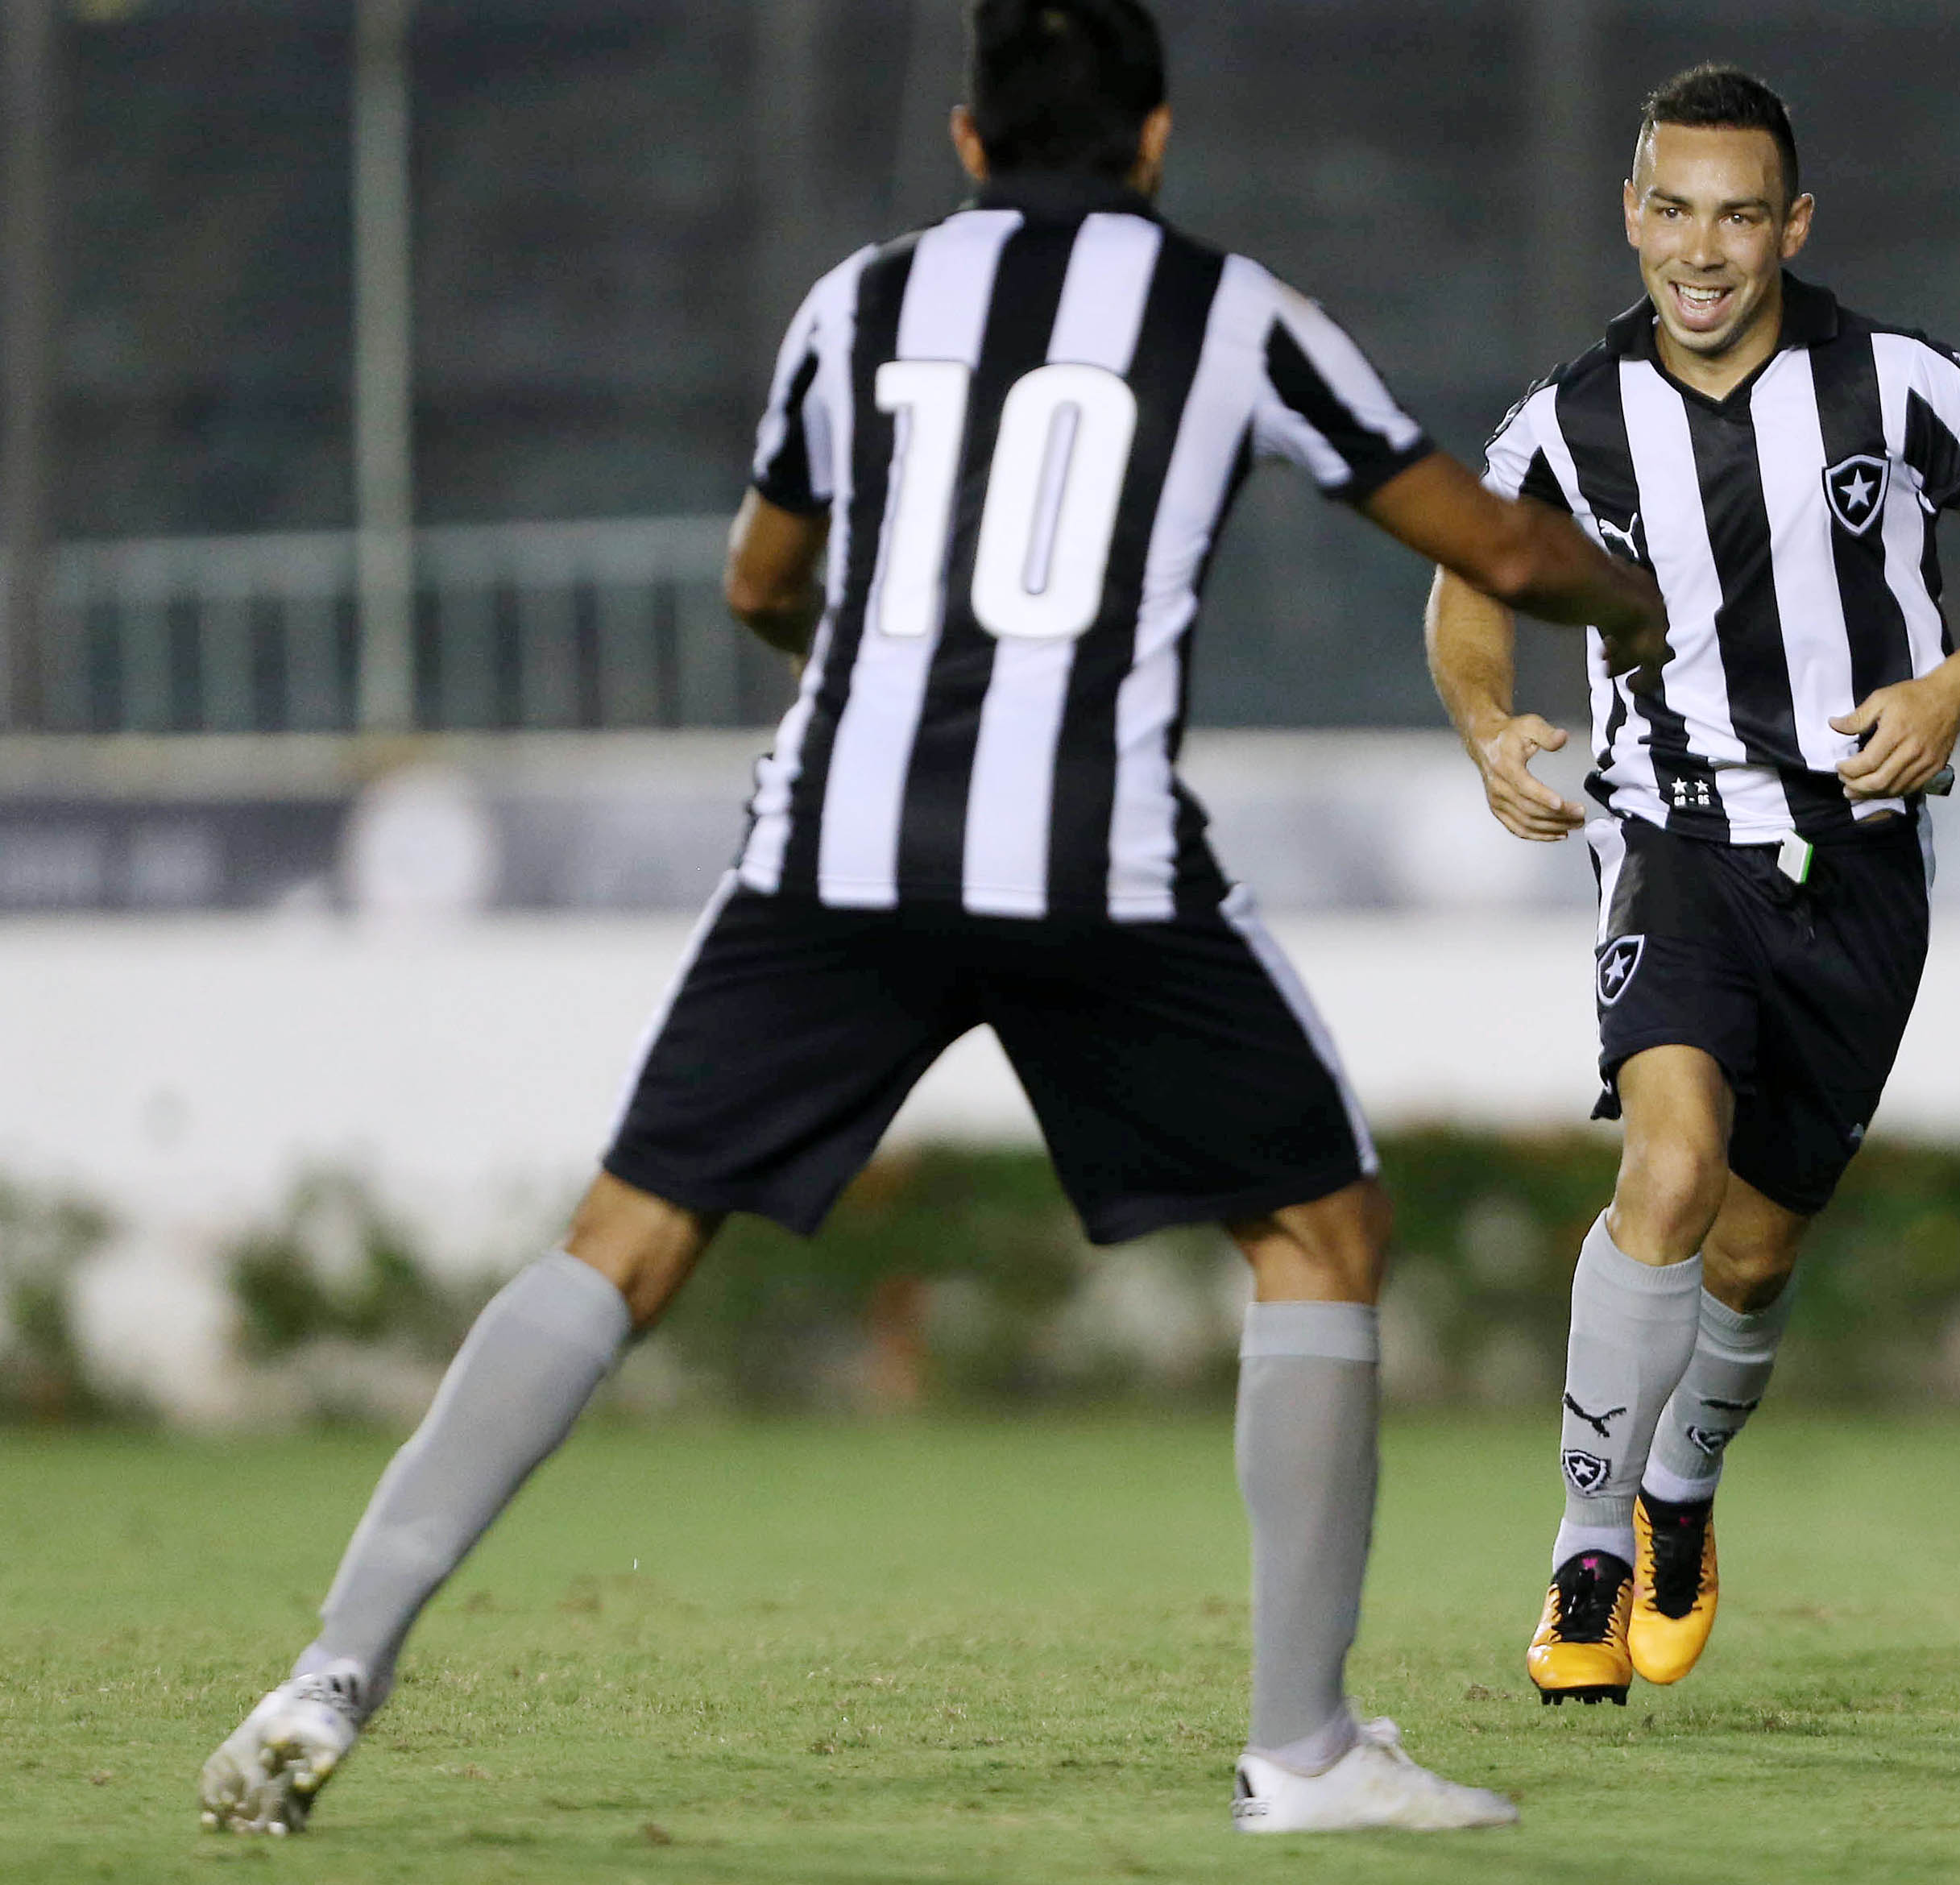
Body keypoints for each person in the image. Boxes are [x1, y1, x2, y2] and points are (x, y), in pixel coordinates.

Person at [199, 0, 1664, 1839]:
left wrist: (887, 672)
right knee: (1316, 1223)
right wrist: (1628, 611)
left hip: (831, 855)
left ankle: (334, 1663)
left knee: (622, 1239)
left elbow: (756, 580)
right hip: (1092, 862)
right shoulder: (1227, 310)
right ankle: (1298, 1751)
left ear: (968, 143)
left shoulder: (858, 301)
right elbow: (1501, 548)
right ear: (1152, 139)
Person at [1424, 65, 1960, 1705]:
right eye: (1674, 209)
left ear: (1791, 225)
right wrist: (1489, 724)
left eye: (1741, 214)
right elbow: (1469, 587)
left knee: (1748, 1257)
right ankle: (1586, 1560)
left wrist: (1950, 689)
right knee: (1669, 1172)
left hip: (1863, 866)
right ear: (1632, 216)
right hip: (1669, 837)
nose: (1705, 249)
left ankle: (1680, 1496)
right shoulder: (1570, 418)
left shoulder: (1895, 383)